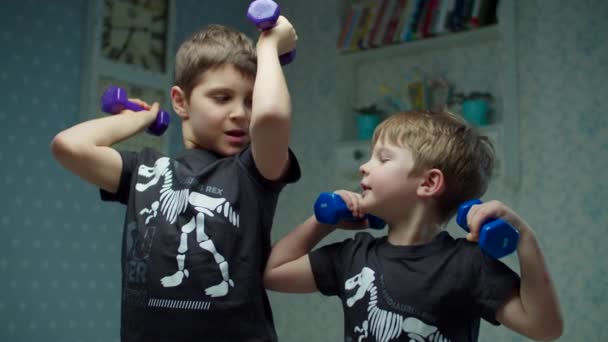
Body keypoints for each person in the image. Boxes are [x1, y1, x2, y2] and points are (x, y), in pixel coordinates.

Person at [51, 17, 300, 342]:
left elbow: (271, 117)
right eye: (222, 98)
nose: (241, 112)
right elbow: (68, 146)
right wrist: (139, 119)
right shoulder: (144, 171)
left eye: (250, 100)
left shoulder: (254, 171)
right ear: (181, 101)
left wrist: (267, 45)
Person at [263, 110, 563, 341]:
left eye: (383, 158)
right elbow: (273, 274)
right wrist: (322, 223)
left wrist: (525, 239)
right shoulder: (353, 255)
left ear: (429, 182)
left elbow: (544, 328)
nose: (364, 166)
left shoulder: (467, 265)